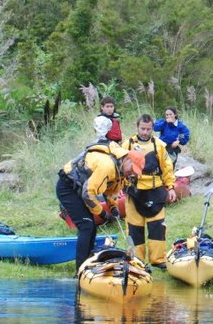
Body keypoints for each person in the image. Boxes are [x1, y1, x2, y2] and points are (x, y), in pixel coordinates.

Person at [55, 117, 131, 270]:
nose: (132, 176)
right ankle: (80, 270)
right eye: (132, 172)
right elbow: (88, 194)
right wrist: (102, 213)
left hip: (80, 188)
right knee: (86, 225)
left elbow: (110, 191)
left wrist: (113, 207)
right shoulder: (107, 166)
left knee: (91, 227)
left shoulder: (122, 173)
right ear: (125, 163)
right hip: (67, 186)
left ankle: (88, 262)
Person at [125, 114, 177, 268]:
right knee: (134, 228)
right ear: (137, 127)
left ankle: (158, 259)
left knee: (157, 227)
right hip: (134, 191)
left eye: (148, 129)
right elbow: (119, 167)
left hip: (155, 190)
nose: (145, 132)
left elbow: (167, 168)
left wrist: (171, 187)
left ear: (152, 129)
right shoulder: (127, 144)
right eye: (142, 129)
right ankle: (137, 260)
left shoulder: (159, 145)